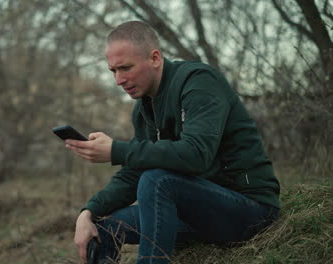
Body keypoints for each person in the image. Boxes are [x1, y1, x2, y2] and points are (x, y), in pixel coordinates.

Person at [66, 21, 280, 264]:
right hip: (197, 213)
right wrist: (88, 213)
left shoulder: (198, 81)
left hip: (249, 210)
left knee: (158, 180)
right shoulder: (143, 109)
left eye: (125, 67)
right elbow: (134, 172)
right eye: (113, 71)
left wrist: (117, 150)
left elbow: (196, 154)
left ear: (155, 58)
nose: (118, 79)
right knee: (103, 227)